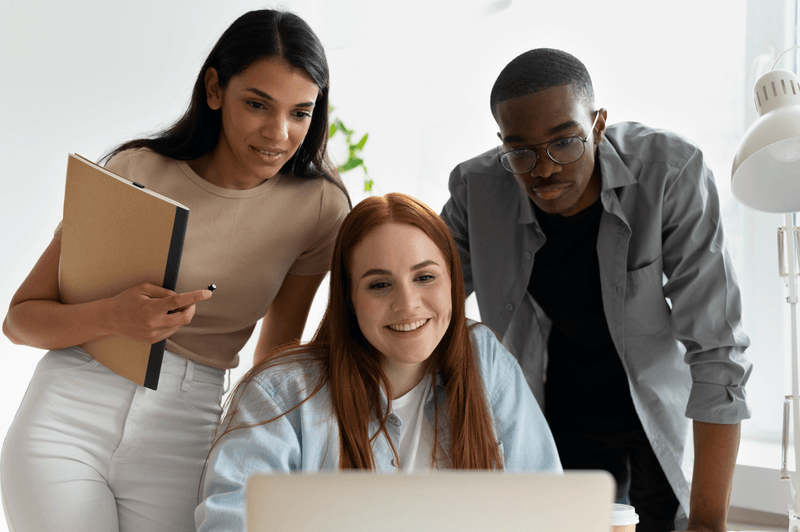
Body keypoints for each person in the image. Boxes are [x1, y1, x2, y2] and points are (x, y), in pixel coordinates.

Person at [1, 9, 349, 532]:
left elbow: (275, 354)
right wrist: (116, 317)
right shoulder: (137, 170)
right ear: (214, 89)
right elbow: (21, 320)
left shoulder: (319, 209)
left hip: (189, 425)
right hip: (71, 407)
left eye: (300, 112)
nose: (279, 133)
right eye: (257, 104)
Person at [440, 48, 752, 532]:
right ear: (501, 140)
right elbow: (423, 308)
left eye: (564, 143)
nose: (543, 170)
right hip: (550, 408)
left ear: (599, 123)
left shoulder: (670, 172)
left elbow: (717, 348)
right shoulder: (475, 190)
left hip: (652, 403)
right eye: (519, 151)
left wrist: (708, 526)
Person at [195, 192, 561, 531]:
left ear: (452, 282)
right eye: (379, 285)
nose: (408, 304)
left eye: (425, 277)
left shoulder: (485, 360)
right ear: (349, 298)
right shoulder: (280, 393)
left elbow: (547, 507)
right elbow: (231, 521)